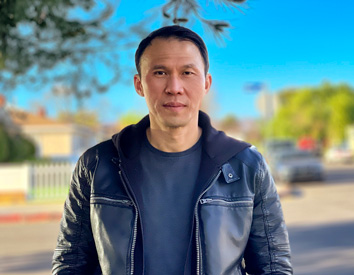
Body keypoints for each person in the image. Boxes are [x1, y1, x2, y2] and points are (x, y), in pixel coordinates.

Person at [52, 25, 292, 275]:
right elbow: (71, 262)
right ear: (139, 84)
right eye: (160, 72)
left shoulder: (247, 166)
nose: (174, 87)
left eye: (187, 72)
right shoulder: (97, 165)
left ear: (206, 83)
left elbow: (273, 266)